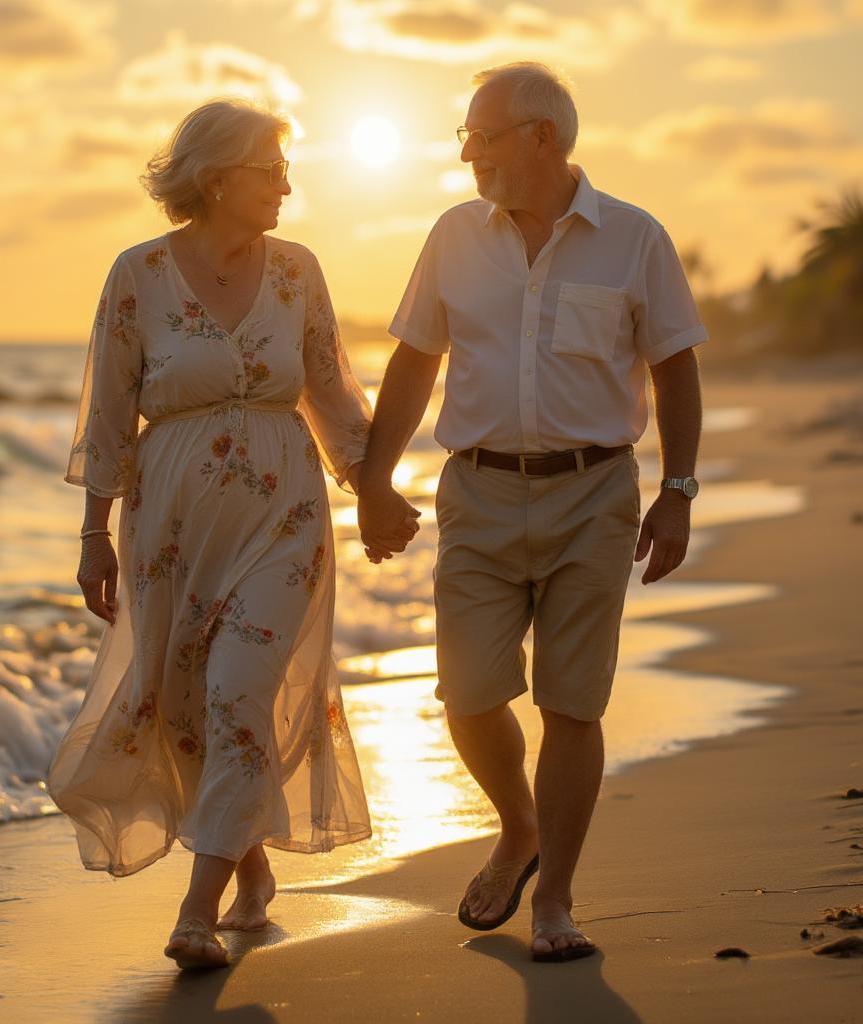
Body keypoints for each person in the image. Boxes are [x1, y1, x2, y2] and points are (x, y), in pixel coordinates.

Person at [47, 98, 416, 970]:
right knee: (186, 710)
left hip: (284, 517)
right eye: (271, 167)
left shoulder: (296, 272)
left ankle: (194, 910)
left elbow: (331, 396)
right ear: (218, 178)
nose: (287, 182)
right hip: (169, 528)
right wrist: (93, 536)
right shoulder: (137, 275)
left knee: (239, 689)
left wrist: (376, 490)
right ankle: (249, 868)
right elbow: (106, 417)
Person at [358, 61, 706, 962]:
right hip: (474, 492)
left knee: (573, 704)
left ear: (540, 137)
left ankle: (552, 898)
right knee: (468, 695)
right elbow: (412, 362)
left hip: (594, 492)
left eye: (481, 133)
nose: (466, 151)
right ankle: (520, 827)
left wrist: (678, 492)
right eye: (464, 136)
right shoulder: (452, 236)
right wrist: (372, 481)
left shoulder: (634, 238)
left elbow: (675, 364)